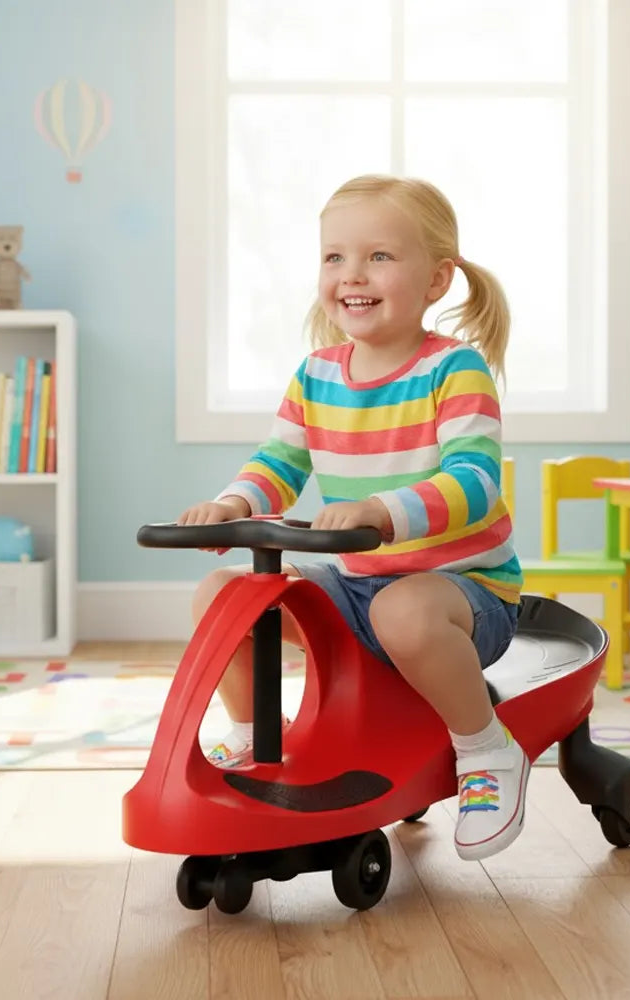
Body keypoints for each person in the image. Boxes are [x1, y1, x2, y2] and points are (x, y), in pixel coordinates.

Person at [178, 174, 525, 861]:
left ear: (436, 280)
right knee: (225, 597)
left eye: (379, 257)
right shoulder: (316, 374)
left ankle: (486, 747)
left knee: (405, 611)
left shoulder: (454, 370)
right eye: (334, 257)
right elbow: (279, 461)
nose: (351, 275)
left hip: (462, 594)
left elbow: (476, 483)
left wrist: (379, 511)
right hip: (358, 583)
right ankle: (253, 730)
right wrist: (235, 504)